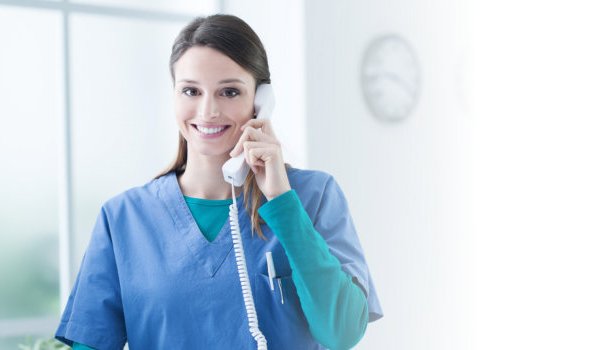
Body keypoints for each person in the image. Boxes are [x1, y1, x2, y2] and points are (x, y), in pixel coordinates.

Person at [54, 14, 383, 350]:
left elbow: (341, 333)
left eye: (229, 91)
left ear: (260, 100)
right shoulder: (123, 217)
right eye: (191, 91)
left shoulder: (314, 197)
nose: (208, 110)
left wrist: (282, 200)